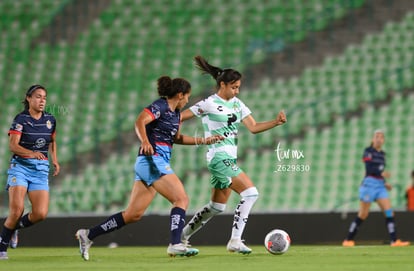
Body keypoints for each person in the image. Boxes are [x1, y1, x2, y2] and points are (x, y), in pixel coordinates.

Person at [75, 76, 223, 260]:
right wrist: (145, 140)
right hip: (152, 160)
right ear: (180, 94)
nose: (187, 101)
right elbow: (140, 121)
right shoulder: (160, 106)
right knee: (181, 199)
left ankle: (88, 235)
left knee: (133, 214)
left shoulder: (176, 114)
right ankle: (176, 244)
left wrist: (203, 140)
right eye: (187, 97)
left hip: (152, 163)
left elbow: (176, 139)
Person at [180, 56, 287, 254]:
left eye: (238, 87)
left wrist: (275, 122)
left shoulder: (237, 104)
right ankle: (235, 241)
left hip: (229, 159)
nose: (237, 91)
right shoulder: (209, 103)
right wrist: (170, 133)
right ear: (223, 84)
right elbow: (179, 117)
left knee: (216, 207)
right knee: (251, 193)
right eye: (234, 87)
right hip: (219, 158)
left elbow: (253, 127)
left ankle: (182, 237)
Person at [0, 85, 60, 260]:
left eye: (44, 98)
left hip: (40, 170)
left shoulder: (50, 119)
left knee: (40, 214)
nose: (42, 101)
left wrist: (55, 159)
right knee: (17, 209)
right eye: (38, 97)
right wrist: (31, 153)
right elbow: (13, 145)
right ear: (29, 98)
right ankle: (2, 247)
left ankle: (14, 229)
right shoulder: (21, 119)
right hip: (20, 167)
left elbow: (52, 141)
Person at [342, 130, 410, 247]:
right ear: (373, 139)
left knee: (389, 212)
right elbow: (370, 169)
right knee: (363, 214)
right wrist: (382, 173)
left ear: (383, 140)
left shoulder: (382, 155)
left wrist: (384, 183)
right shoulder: (368, 151)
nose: (379, 139)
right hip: (369, 184)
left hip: (379, 186)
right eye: (377, 136)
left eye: (381, 137)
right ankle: (348, 240)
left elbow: (379, 172)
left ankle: (394, 240)